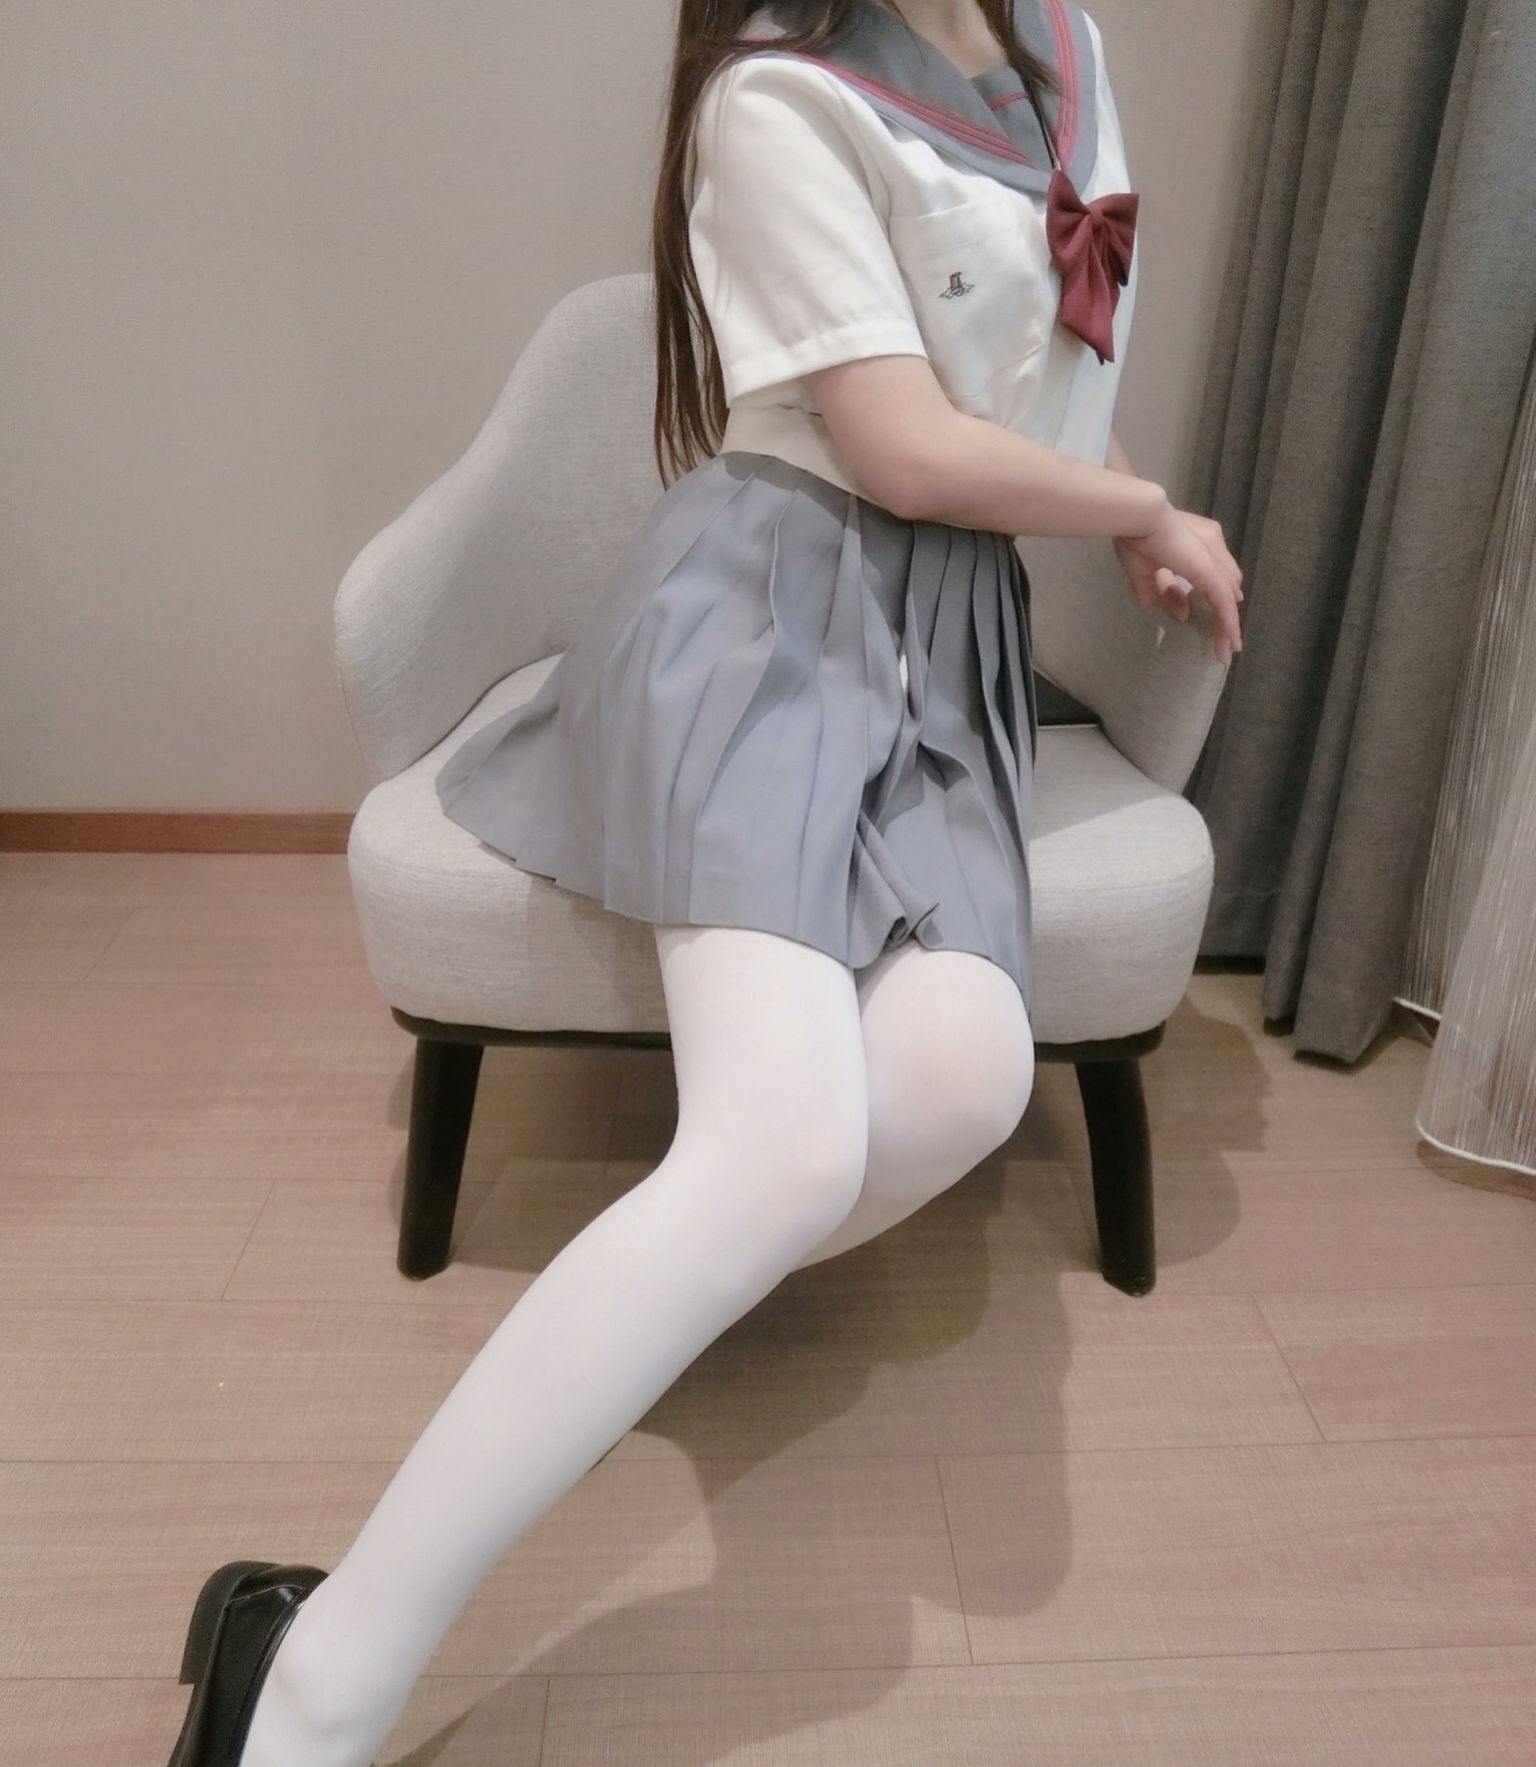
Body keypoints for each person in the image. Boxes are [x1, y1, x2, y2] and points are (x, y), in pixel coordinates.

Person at [165, 2, 1242, 1762]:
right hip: (770, 620)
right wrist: (1145, 513)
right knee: (787, 1143)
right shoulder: (777, 95)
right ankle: (305, 1684)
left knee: (963, 1080)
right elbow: (900, 449)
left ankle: (641, 1317)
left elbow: (1044, 375)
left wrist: (1117, 484)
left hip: (951, 657)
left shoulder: (1071, 47)